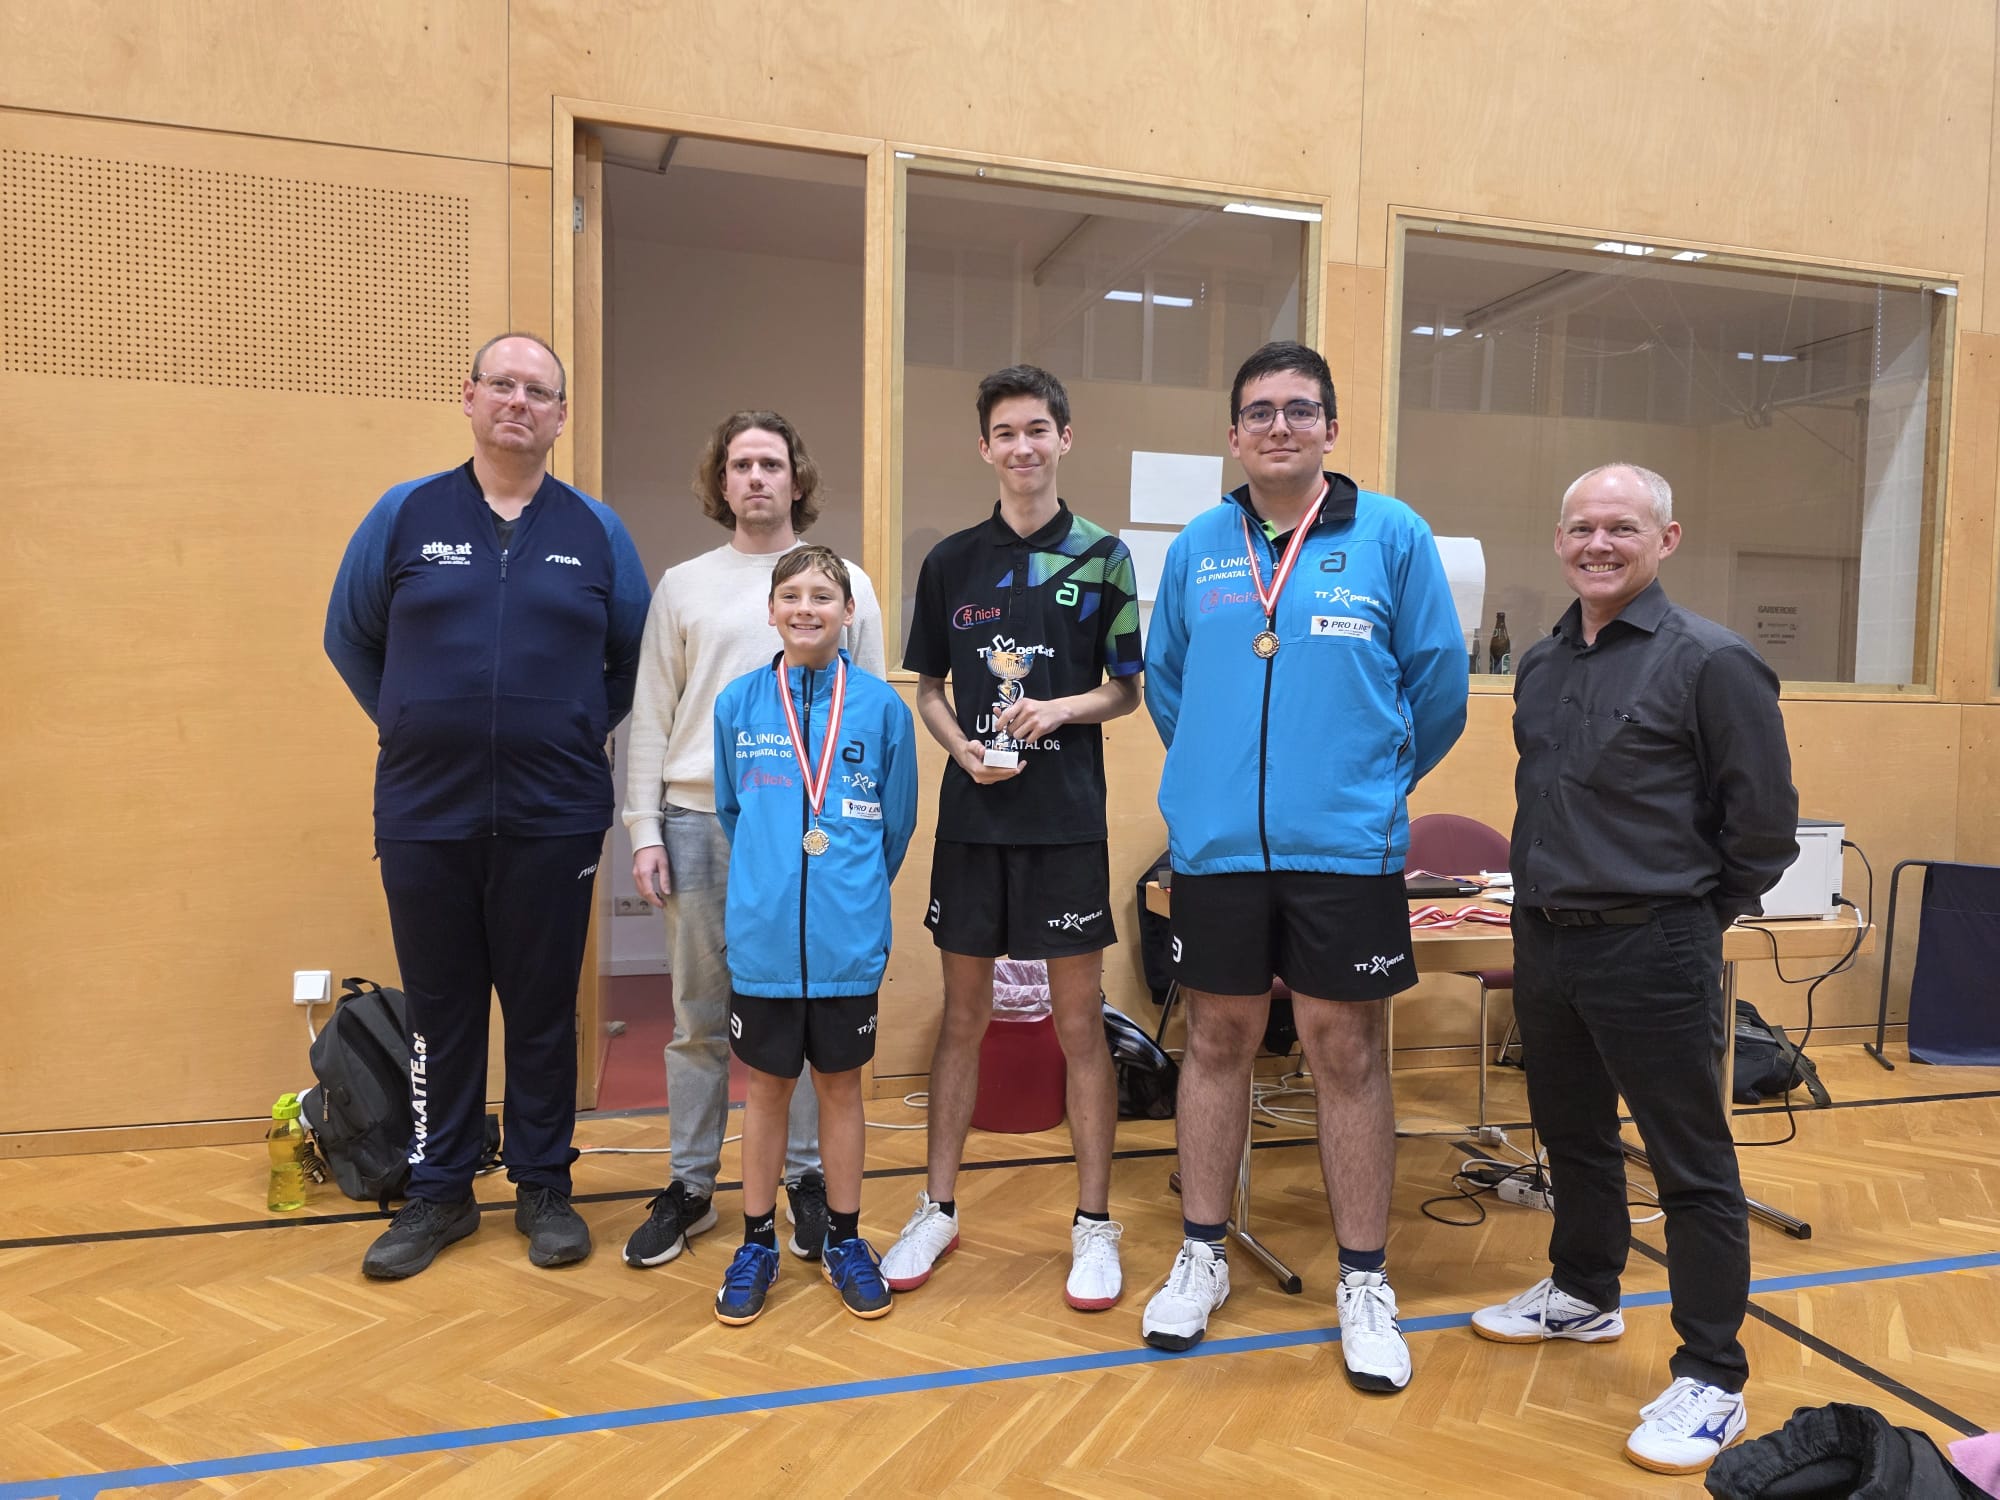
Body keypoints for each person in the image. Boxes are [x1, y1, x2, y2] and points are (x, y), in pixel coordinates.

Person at [1141, 341, 1468, 1388]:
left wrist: (1365, 782)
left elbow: (1437, 687)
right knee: (1216, 1038)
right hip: (1219, 849)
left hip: (1346, 848)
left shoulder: (1393, 535)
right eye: (1258, 411)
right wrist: (1217, 778)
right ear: (1233, 434)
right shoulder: (1198, 547)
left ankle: (1364, 1281)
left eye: (1297, 409)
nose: (1277, 425)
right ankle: (1201, 1253)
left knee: (1345, 1051)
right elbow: (1167, 684)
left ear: (1329, 427)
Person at [1473, 461, 1798, 1475]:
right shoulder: (1540, 663)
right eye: (1581, 528)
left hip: (1652, 943)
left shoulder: (1713, 662)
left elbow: (1763, 829)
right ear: (1558, 540)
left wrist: (1689, 914)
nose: (1597, 544)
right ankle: (1584, 1293)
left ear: (1665, 538)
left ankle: (1712, 1377)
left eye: (1621, 527)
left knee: (1689, 1165)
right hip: (1546, 939)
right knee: (1570, 1136)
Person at [325, 331, 650, 1278]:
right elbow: (351, 638)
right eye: (501, 384)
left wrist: (568, 725)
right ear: (468, 398)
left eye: (538, 391)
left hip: (556, 814)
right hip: (425, 811)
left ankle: (544, 1184)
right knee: (442, 1010)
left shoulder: (597, 532)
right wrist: (412, 721)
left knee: (543, 1009)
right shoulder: (404, 514)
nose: (518, 402)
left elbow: (631, 660)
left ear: (559, 416)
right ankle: (442, 1191)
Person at [881, 365, 1144, 1311]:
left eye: (1038, 429)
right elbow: (929, 691)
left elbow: (1127, 690)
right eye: (1006, 432)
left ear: (1064, 438)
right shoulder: (951, 561)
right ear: (984, 447)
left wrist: (1060, 709)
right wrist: (961, 749)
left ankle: (1094, 1224)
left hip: (1066, 825)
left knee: (1078, 1025)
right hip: (974, 824)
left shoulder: (1105, 557)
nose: (1022, 446)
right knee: (965, 1019)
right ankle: (938, 1208)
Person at [620, 411, 886, 1269]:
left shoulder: (848, 581)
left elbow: (870, 718)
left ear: (796, 479)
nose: (758, 477)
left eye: (772, 463)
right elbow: (651, 714)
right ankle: (692, 1185)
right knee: (699, 1016)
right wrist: (644, 827)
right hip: (701, 821)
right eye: (742, 465)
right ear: (722, 482)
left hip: (811, 831)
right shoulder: (683, 586)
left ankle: (806, 1179)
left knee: (805, 1012)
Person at [708, 546, 917, 1323]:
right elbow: (731, 811)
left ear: (848, 612)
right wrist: (771, 881)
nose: (806, 608)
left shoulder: (883, 709)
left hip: (845, 945)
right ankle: (756, 1242)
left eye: (823, 596)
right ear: (770, 611)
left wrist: (849, 896)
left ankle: (845, 1239)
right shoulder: (737, 704)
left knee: (840, 1089)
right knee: (765, 1092)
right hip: (763, 942)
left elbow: (897, 826)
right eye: (791, 595)